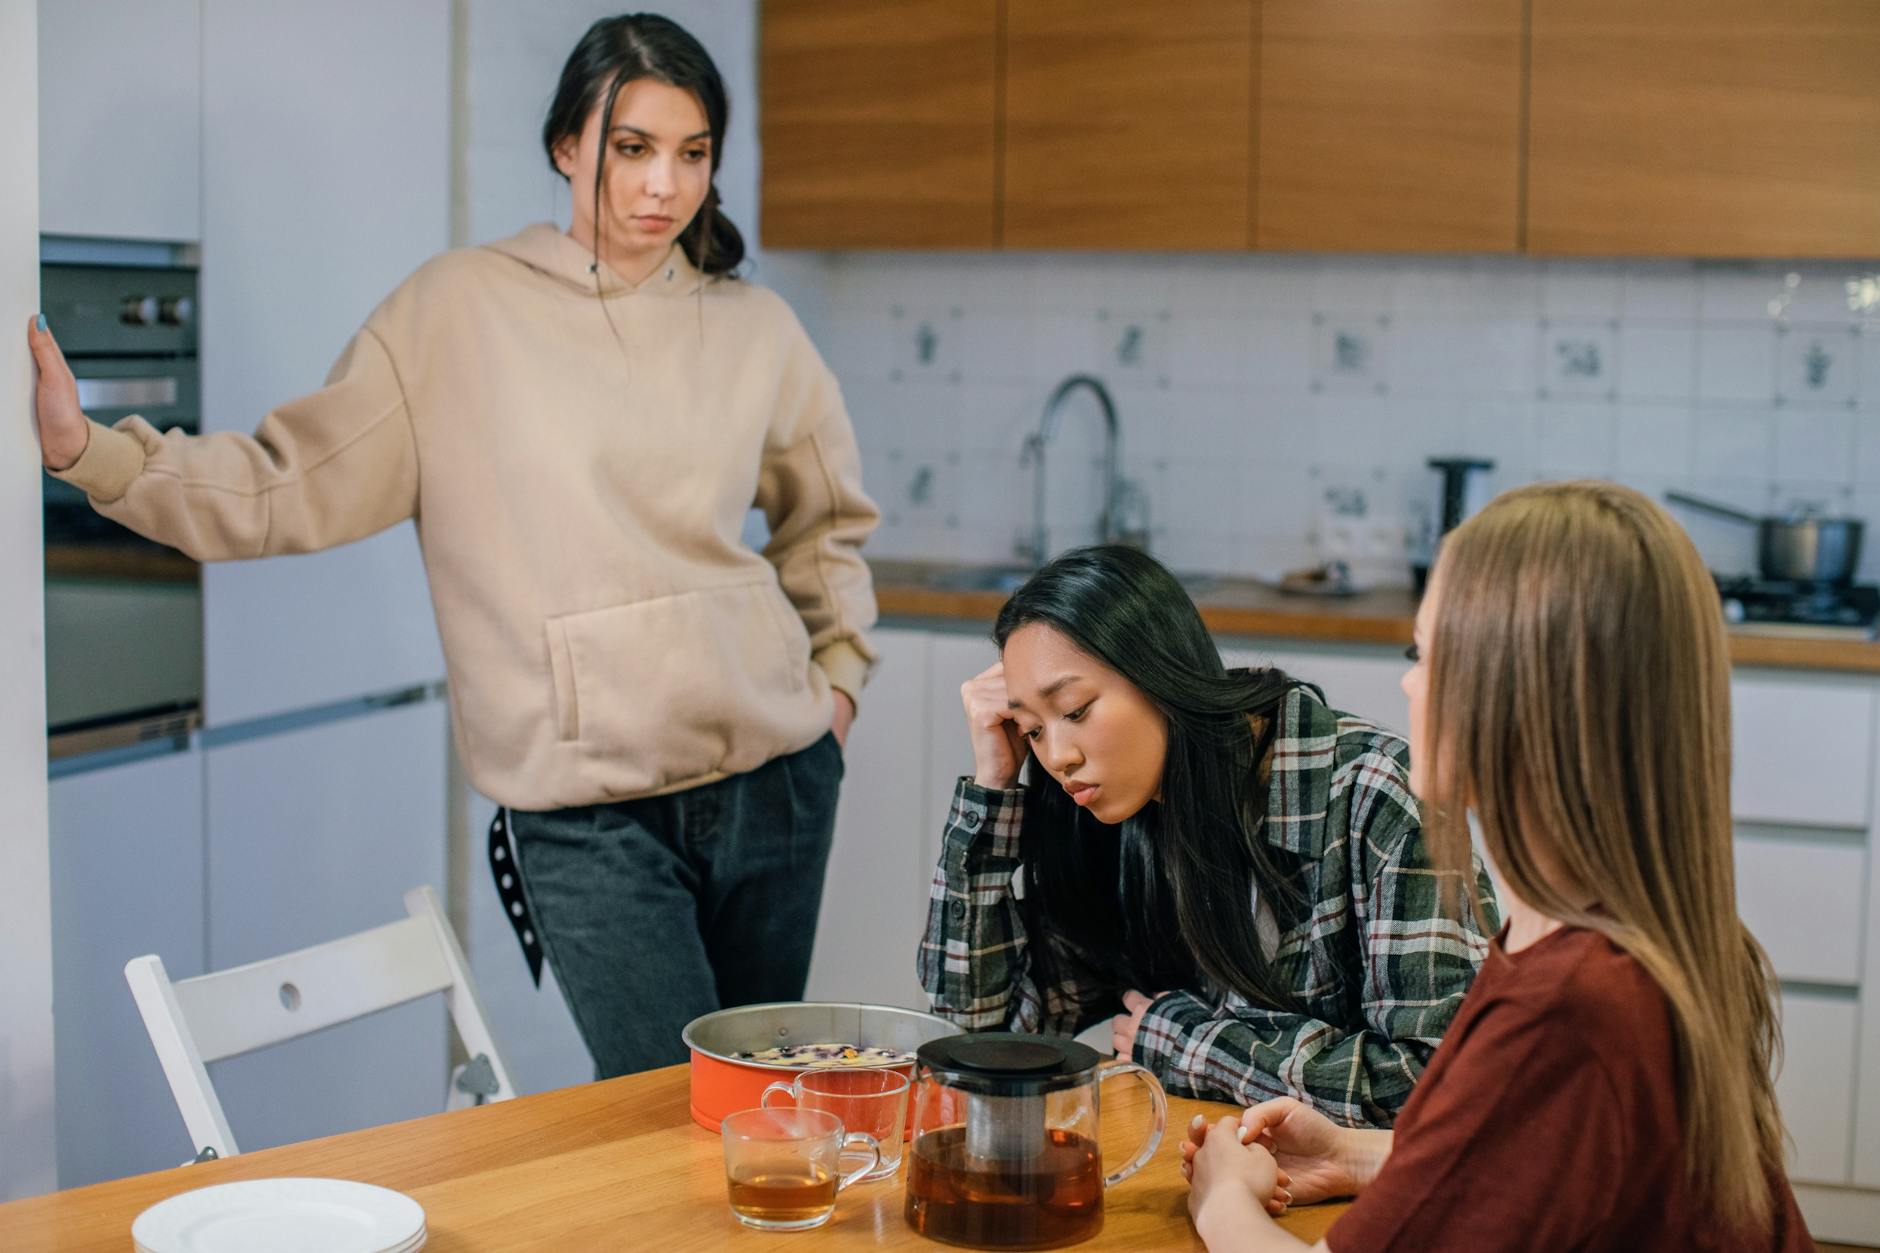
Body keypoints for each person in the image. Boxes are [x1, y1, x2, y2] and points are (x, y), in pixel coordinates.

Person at [26, 14, 878, 1079]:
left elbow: (829, 519)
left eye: (691, 152)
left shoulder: (755, 328)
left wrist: (836, 683)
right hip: (583, 815)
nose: (663, 183)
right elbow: (284, 483)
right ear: (566, 145)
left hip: (775, 787)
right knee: (669, 1117)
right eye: (632, 147)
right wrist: (92, 454)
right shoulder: (456, 313)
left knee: (765, 1118)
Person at [1182, 481, 1815, 1252]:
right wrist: (1356, 1151)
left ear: (1508, 695)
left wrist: (1221, 1201)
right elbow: (1539, 1154)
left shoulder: (1570, 1007)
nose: (1409, 683)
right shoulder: (1636, 937)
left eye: (1425, 651)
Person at [917, 545, 1496, 1127]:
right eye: (1032, 730)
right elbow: (981, 1035)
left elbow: (1442, 1085)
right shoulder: (1111, 812)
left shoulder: (1376, 795)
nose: (1058, 757)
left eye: (1075, 710)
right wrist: (992, 788)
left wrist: (1191, 1044)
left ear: (1161, 672)